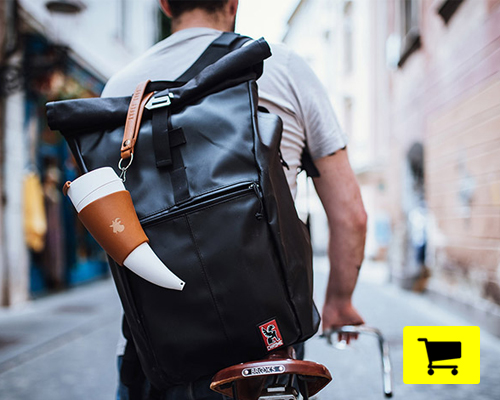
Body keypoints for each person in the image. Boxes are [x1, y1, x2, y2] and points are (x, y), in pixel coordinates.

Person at [101, 1, 367, 399]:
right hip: (265, 352)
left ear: (165, 4)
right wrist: (339, 302)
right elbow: (351, 216)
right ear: (233, 3)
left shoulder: (119, 91)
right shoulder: (281, 67)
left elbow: (111, 229)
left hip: (158, 352)